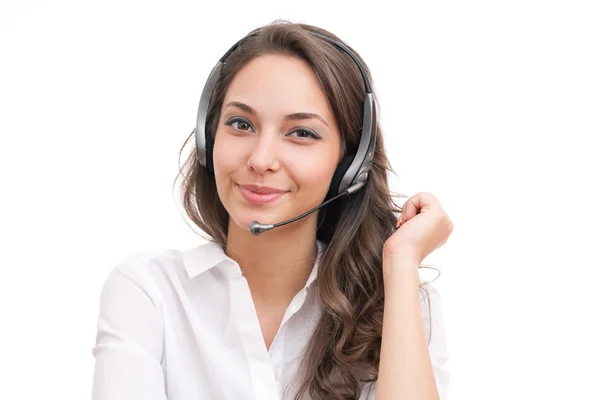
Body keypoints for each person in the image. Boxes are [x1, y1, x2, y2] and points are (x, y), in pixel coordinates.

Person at [91, 20, 454, 400]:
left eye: (301, 133)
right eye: (241, 124)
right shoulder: (149, 292)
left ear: (350, 166)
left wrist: (399, 261)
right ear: (208, 138)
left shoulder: (404, 304)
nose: (261, 159)